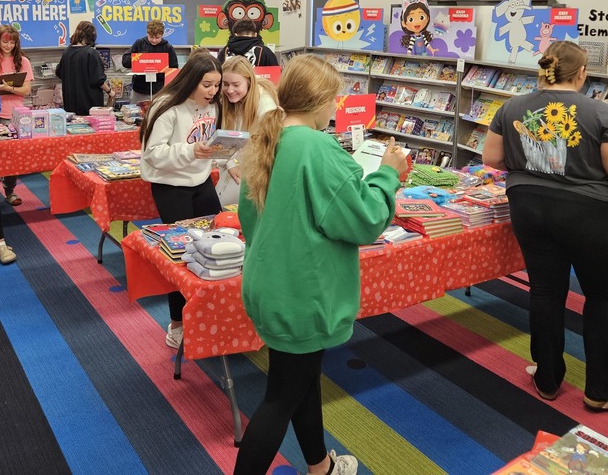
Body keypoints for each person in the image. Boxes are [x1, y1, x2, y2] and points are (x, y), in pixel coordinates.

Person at [232, 54, 407, 475]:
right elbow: (365, 219)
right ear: (323, 100)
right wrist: (388, 174)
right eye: (336, 100)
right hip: (302, 294)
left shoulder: (266, 140)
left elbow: (249, 220)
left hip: (270, 285)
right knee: (280, 398)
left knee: (299, 381)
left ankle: (320, 465)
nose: (336, 108)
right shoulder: (317, 146)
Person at [482, 40, 608, 411]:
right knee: (603, 296)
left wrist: (534, 165)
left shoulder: (512, 106)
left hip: (528, 206)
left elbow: (492, 158)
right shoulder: (601, 112)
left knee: (545, 292)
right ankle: (601, 390)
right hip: (588, 213)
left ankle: (546, 377)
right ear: (581, 74)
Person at [139, 51, 223, 348]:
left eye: (217, 85)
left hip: (201, 181)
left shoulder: (213, 106)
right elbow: (152, 154)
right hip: (170, 186)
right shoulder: (167, 106)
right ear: (190, 81)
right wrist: (190, 152)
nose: (213, 92)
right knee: (182, 254)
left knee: (220, 243)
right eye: (207, 85)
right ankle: (176, 323)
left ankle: (213, 314)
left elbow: (208, 140)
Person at [215, 56, 278, 205]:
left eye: (236, 84)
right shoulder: (226, 101)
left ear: (249, 82)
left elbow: (270, 142)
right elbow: (222, 138)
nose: (230, 90)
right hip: (234, 165)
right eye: (225, 84)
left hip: (257, 169)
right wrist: (230, 163)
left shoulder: (265, 103)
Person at [0, 24, 33, 205]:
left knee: (13, 157)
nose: (8, 46)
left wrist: (8, 88)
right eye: (5, 41)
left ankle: (10, 190)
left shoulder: (23, 61)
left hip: (15, 114)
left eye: (12, 42)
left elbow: (26, 90)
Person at [56, 20, 112, 116]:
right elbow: (98, 80)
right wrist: (110, 91)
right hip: (90, 107)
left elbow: (59, 72)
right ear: (91, 36)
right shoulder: (91, 53)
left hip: (70, 107)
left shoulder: (66, 52)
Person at [121, 19, 179, 104]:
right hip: (139, 90)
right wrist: (139, 58)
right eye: (151, 37)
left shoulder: (168, 48)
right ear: (147, 33)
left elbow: (174, 70)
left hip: (159, 91)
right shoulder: (139, 43)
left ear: (162, 35)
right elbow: (125, 61)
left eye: (157, 37)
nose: (154, 40)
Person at [216, 0, 279, 67]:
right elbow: (275, 74)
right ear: (255, 34)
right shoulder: (265, 52)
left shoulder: (224, 52)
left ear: (235, 34)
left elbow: (218, 74)